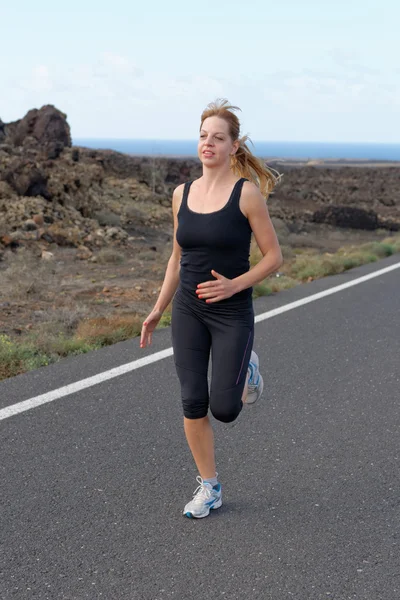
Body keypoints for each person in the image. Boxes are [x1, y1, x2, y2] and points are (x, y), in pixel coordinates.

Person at [140, 99, 283, 518]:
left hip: (231, 312)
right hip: (188, 309)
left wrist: (235, 285)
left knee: (226, 409)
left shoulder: (247, 195)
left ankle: (247, 369)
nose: (208, 143)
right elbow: (176, 258)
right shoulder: (181, 194)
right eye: (203, 136)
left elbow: (274, 257)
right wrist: (157, 309)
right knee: (192, 400)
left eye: (218, 137)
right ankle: (210, 486)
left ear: (233, 146)